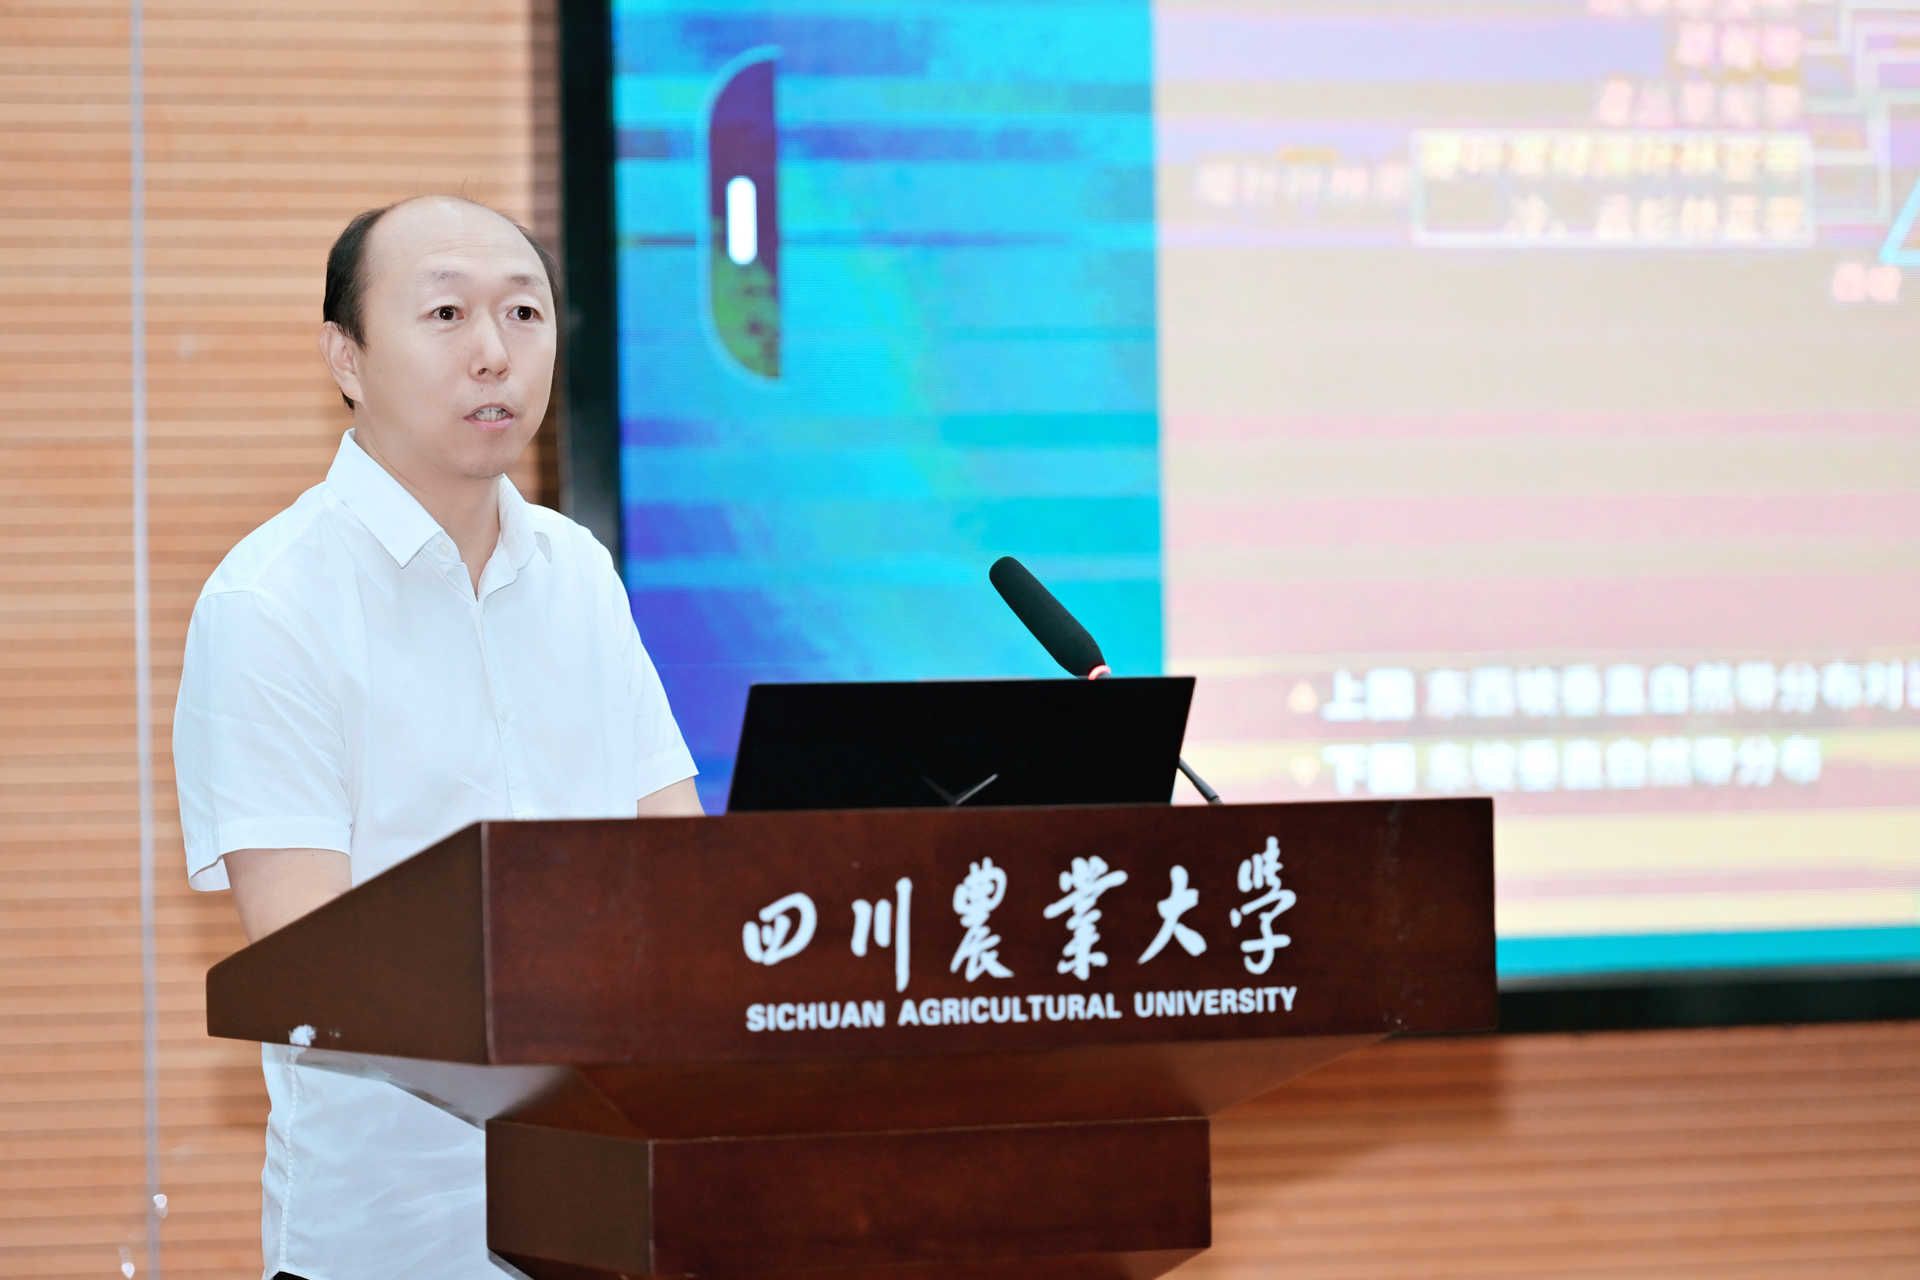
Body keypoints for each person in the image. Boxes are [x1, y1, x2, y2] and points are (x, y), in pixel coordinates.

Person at [172, 195, 701, 1280]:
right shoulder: (271, 602)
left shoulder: (580, 574)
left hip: (609, 1220)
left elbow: (683, 877)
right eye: (448, 314)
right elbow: (310, 961)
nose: (494, 352)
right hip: (391, 1237)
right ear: (347, 358)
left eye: (524, 313)